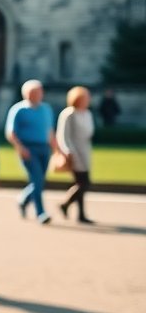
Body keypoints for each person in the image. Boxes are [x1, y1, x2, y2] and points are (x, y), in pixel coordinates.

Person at [4, 79, 57, 224]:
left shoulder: (46, 109)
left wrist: (56, 149)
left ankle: (24, 199)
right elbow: (11, 133)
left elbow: (50, 131)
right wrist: (20, 148)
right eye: (33, 92)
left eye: (39, 92)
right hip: (28, 148)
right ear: (26, 94)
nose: (37, 95)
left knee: (39, 181)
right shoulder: (18, 110)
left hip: (44, 148)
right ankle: (41, 212)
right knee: (37, 179)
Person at [57, 85, 96, 224]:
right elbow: (63, 136)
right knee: (84, 182)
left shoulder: (87, 113)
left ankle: (80, 213)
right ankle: (66, 203)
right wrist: (68, 151)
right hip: (74, 152)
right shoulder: (69, 114)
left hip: (85, 150)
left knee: (80, 182)